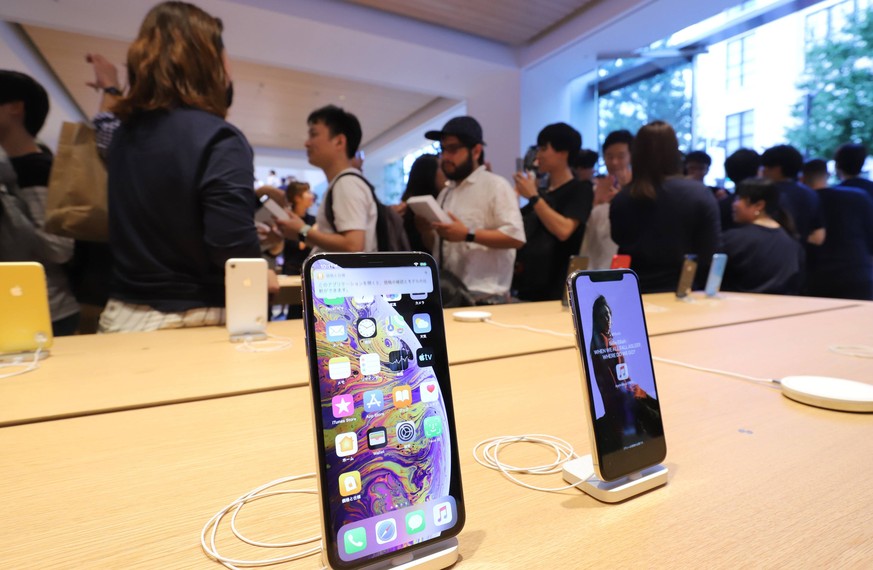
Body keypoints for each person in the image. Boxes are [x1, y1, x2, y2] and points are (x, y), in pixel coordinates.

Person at [98, 1, 264, 333]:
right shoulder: (218, 138)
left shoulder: (123, 135)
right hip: (192, 320)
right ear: (210, 61)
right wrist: (261, 271)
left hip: (120, 315)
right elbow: (230, 247)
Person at [0, 70, 80, 336]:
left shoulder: (37, 169)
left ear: (15, 107)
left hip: (45, 313)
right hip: (21, 309)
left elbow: (58, 247)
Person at [610, 121, 721, 293]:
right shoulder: (699, 193)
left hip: (633, 293)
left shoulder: (623, 197)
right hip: (683, 291)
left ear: (636, 153)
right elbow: (709, 253)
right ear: (675, 152)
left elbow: (619, 239)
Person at [424, 116, 525, 302]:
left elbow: (516, 237)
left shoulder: (495, 185)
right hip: (448, 294)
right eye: (443, 149)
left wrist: (468, 234)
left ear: (476, 151)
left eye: (453, 149)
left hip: (487, 298)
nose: (445, 157)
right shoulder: (446, 192)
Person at [275, 105, 376, 254]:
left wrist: (302, 231)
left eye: (314, 135)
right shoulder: (343, 183)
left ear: (339, 142)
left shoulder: (346, 183)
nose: (307, 143)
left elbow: (353, 245)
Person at [512, 122, 593, 301]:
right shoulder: (542, 193)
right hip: (528, 285)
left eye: (543, 148)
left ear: (563, 152)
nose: (538, 155)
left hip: (557, 287)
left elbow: (564, 230)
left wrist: (533, 197)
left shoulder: (581, 189)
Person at [589, 295, 661, 454]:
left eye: (609, 315)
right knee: (650, 410)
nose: (607, 319)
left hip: (625, 390)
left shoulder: (609, 340)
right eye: (603, 315)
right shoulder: (600, 341)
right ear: (597, 319)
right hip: (619, 399)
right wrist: (628, 393)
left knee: (650, 403)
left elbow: (622, 374)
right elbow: (608, 380)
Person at [721, 178, 805, 294]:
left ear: (759, 205)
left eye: (739, 198)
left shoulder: (733, 239)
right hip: (782, 309)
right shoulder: (792, 242)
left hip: (738, 309)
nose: (734, 204)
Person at [806, 163, 873, 300]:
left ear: (802, 178)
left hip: (818, 276)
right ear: (828, 175)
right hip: (858, 272)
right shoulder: (858, 196)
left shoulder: (807, 199)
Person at [579, 129, 633, 269]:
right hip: (595, 264)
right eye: (609, 156)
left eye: (621, 156)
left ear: (631, 156)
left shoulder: (638, 191)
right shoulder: (594, 189)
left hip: (626, 266)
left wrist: (625, 197)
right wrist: (595, 203)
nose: (614, 162)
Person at [760, 144, 825, 246]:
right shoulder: (811, 194)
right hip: (803, 255)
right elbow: (819, 237)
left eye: (766, 166)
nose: (762, 171)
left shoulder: (766, 193)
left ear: (777, 169)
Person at [399, 153, 444, 253]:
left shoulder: (408, 205)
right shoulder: (418, 210)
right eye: (441, 168)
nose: (446, 173)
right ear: (429, 174)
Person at [281, 181, 315, 276]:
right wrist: (314, 229)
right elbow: (301, 244)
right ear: (297, 198)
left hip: (311, 272)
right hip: (292, 272)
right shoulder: (287, 221)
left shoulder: (313, 219)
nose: (311, 196)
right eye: (308, 192)